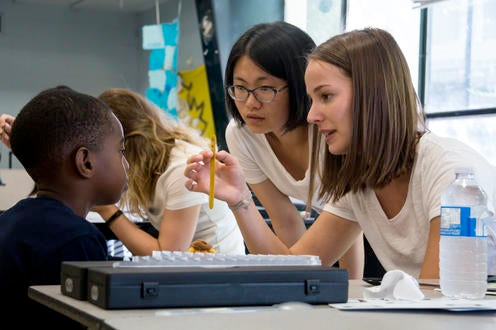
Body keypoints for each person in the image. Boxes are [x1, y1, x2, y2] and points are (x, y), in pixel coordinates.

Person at [184, 27, 496, 279]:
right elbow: (296, 265)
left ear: (374, 95)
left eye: (326, 96)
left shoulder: (451, 174)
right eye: (311, 99)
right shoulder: (359, 181)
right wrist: (240, 200)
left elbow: (439, 304)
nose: (311, 115)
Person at [222, 21, 364, 278]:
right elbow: (285, 219)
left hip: (366, 237)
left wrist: (349, 291)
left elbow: (349, 220)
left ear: (301, 84)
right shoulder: (242, 135)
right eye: (240, 87)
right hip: (335, 231)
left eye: (265, 89)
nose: (250, 104)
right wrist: (297, 288)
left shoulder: (331, 130)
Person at [0, 86, 129, 328]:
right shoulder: (77, 240)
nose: (127, 164)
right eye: (120, 151)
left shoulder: (11, 220)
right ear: (86, 162)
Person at [93, 88, 245, 255]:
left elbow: (165, 255)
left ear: (125, 143)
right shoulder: (153, 164)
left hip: (217, 271)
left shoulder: (181, 170)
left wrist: (107, 210)